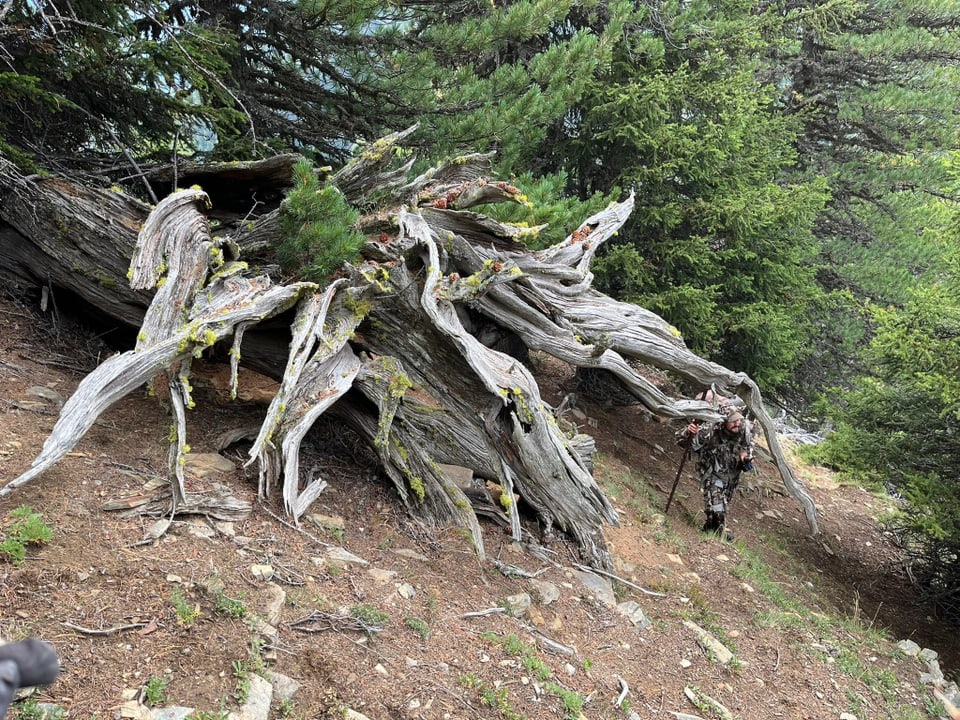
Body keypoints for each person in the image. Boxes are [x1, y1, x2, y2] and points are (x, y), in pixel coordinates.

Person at [679, 410, 754, 540]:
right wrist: (688, 432)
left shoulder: (745, 430)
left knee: (718, 508)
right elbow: (683, 442)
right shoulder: (710, 430)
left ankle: (709, 528)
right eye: (733, 421)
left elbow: (749, 448)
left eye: (739, 420)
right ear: (724, 421)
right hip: (712, 475)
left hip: (732, 478)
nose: (737, 423)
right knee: (718, 509)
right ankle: (720, 535)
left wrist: (746, 457)